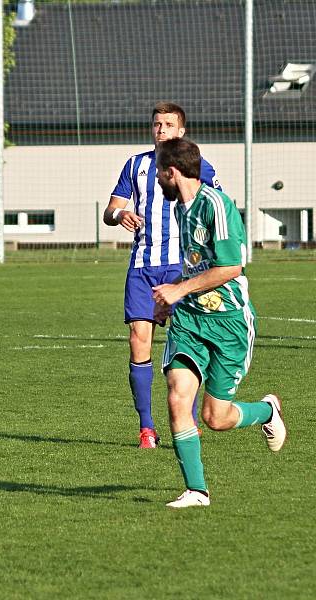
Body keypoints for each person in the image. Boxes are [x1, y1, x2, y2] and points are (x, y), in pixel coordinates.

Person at [151, 137, 286, 508]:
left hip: (228, 322)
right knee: (178, 398)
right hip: (191, 321)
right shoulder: (181, 208)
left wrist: (178, 291)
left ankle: (266, 410)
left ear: (172, 171)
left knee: (216, 417)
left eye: (159, 172)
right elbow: (196, 262)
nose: (157, 179)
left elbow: (230, 267)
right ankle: (197, 490)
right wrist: (170, 299)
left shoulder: (217, 205)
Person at [103, 102, 221, 448]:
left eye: (168, 124)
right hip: (142, 265)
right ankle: (146, 427)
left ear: (181, 131)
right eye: (157, 124)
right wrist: (119, 215)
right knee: (139, 341)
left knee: (186, 343)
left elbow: (218, 204)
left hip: (182, 266)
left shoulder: (198, 165)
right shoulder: (136, 164)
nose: (161, 130)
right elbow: (111, 208)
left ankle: (188, 420)